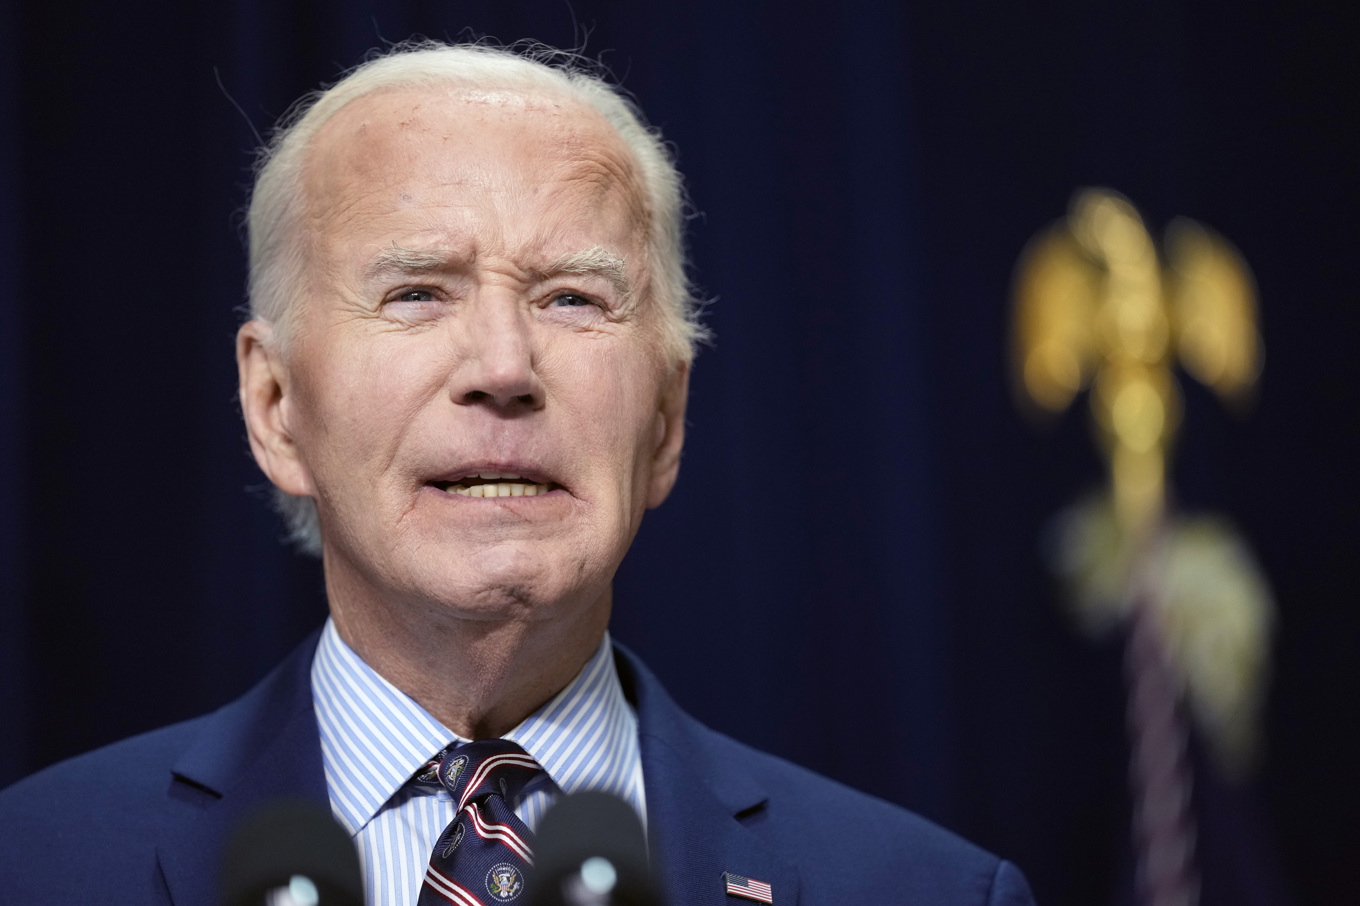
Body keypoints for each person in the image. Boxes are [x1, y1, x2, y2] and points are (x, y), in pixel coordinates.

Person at [0, 41, 1036, 906]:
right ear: (275, 407)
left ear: (666, 419)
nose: (503, 367)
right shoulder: (34, 865)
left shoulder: (928, 891)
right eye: (417, 292)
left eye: (572, 298)